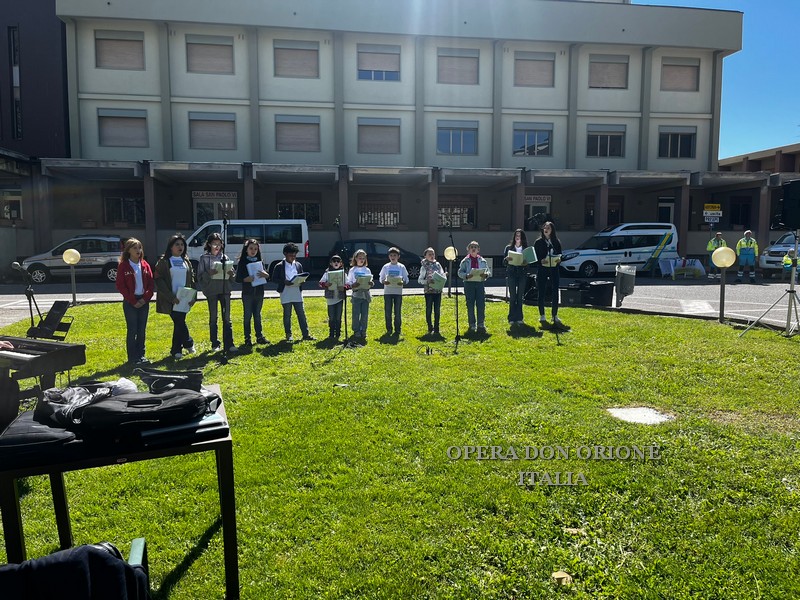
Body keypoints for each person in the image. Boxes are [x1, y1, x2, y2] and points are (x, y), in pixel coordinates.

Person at [154, 233, 196, 360]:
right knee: (179, 321)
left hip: (184, 299)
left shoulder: (186, 261)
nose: (180, 247)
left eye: (182, 244)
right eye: (177, 244)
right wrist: (171, 297)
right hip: (171, 299)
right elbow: (159, 280)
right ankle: (184, 345)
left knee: (180, 322)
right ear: (170, 247)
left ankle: (179, 348)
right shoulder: (164, 261)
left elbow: (192, 280)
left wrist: (193, 297)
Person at [115, 237, 154, 365]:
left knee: (141, 329)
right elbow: (121, 286)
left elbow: (150, 285)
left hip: (143, 301)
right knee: (132, 329)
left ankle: (141, 355)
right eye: (135, 248)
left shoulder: (145, 265)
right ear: (128, 251)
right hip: (130, 302)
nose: (138, 250)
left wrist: (144, 299)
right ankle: (132, 357)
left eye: (139, 248)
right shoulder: (124, 266)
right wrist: (132, 300)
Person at [196, 233, 237, 353]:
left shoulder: (225, 257)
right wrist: (209, 273)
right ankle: (215, 343)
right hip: (212, 290)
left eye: (219, 244)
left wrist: (231, 274)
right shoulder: (204, 258)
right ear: (209, 244)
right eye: (214, 244)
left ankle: (229, 343)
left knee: (227, 317)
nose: (217, 247)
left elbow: (233, 275)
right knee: (213, 317)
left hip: (224, 290)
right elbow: (199, 276)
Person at [272, 242, 315, 342]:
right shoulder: (279, 266)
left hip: (297, 292)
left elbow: (301, 275)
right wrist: (284, 281)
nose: (293, 257)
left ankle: (306, 334)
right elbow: (274, 278)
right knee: (287, 314)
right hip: (285, 292)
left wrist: (301, 281)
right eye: (291, 255)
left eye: (295, 255)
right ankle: (288, 334)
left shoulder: (298, 265)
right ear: (285, 254)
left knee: (301, 314)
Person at [235, 238, 269, 347]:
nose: (253, 251)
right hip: (248, 293)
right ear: (246, 250)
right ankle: (247, 338)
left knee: (257, 315)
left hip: (259, 292)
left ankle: (259, 336)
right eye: (251, 248)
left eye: (255, 249)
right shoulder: (243, 262)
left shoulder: (260, 261)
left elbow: (266, 276)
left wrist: (266, 275)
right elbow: (237, 278)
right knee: (247, 315)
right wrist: (246, 279)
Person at [533, 221, 563, 326]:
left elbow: (560, 254)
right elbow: (535, 257)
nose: (546, 229)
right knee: (541, 291)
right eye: (545, 227)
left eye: (548, 228)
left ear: (552, 230)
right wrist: (540, 261)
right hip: (543, 269)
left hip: (554, 268)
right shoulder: (539, 242)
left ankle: (554, 315)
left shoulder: (555, 241)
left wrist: (559, 260)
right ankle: (542, 315)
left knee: (555, 291)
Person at [457, 241, 491, 333]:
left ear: (478, 250)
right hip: (469, 284)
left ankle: (481, 324)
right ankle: (472, 324)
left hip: (480, 283)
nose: (473, 248)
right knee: (470, 304)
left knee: (481, 304)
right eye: (471, 247)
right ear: (468, 250)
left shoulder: (482, 260)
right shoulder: (465, 261)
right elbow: (460, 272)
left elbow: (488, 271)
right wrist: (467, 276)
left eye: (475, 247)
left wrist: (486, 275)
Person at [379, 247, 409, 336]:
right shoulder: (386, 267)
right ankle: (389, 329)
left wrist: (402, 282)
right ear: (389, 257)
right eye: (391, 255)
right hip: (388, 292)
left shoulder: (401, 267)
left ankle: (398, 329)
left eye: (395, 255)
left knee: (397, 312)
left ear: (398, 256)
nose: (393, 257)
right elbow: (381, 279)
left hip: (398, 292)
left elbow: (406, 279)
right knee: (388, 312)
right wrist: (384, 281)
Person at [502, 228, 530, 326]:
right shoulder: (509, 248)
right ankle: (512, 318)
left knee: (520, 296)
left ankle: (519, 318)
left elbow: (529, 262)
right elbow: (504, 262)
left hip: (522, 273)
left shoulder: (526, 248)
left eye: (520, 236)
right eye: (517, 235)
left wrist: (526, 262)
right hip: (512, 273)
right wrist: (507, 259)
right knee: (513, 296)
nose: (518, 237)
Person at [345, 249, 373, 342]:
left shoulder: (367, 269)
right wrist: (353, 285)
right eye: (360, 258)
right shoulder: (353, 270)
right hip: (356, 294)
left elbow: (370, 281)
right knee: (356, 314)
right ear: (355, 258)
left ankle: (363, 330)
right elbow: (349, 282)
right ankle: (356, 330)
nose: (361, 260)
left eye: (363, 258)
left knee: (364, 314)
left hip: (365, 294)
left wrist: (371, 283)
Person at [418, 247, 445, 335]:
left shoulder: (437, 264)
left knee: (437, 310)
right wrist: (427, 281)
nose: (431, 256)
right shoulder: (424, 266)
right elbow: (420, 280)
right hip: (429, 292)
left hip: (437, 291)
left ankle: (437, 328)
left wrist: (444, 276)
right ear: (425, 256)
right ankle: (430, 327)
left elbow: (442, 274)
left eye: (433, 254)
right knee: (429, 309)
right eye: (429, 254)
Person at [319, 254, 346, 339]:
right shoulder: (327, 273)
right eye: (334, 261)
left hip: (339, 297)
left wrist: (344, 287)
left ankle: (338, 332)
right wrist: (325, 284)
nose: (336, 263)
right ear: (331, 263)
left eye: (338, 261)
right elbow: (320, 283)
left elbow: (348, 284)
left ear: (341, 263)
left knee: (338, 316)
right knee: (331, 316)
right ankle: (331, 332)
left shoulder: (343, 273)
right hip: (331, 298)